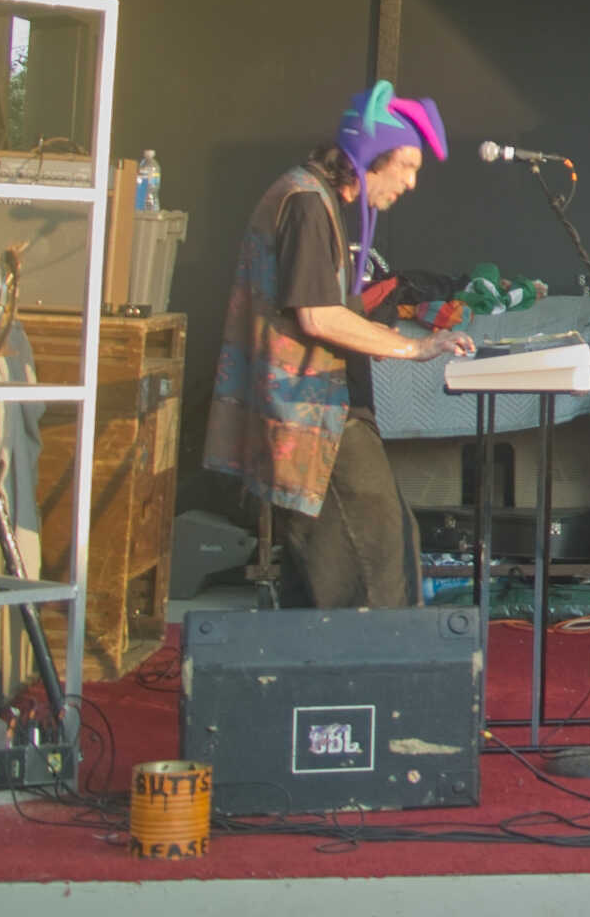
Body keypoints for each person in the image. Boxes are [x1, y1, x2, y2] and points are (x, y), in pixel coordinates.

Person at [203, 81, 475, 609]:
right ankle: (380, 660)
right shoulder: (306, 202)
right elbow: (318, 315)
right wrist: (415, 347)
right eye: (408, 166)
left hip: (320, 414)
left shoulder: (315, 199)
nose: (412, 183)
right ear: (372, 156)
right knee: (379, 560)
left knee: (336, 568)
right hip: (312, 418)